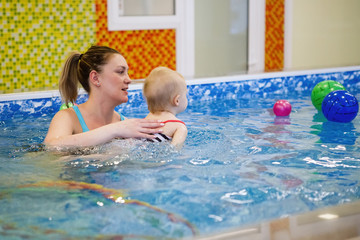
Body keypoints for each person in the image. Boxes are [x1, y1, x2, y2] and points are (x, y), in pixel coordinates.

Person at [44, 46, 164, 147]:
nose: (129, 80)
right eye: (120, 72)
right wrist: (115, 130)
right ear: (95, 78)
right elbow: (52, 147)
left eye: (127, 72)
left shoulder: (126, 125)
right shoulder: (68, 118)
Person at [143, 67, 188, 148]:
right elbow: (175, 150)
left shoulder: (145, 121)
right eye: (185, 95)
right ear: (177, 100)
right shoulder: (179, 127)